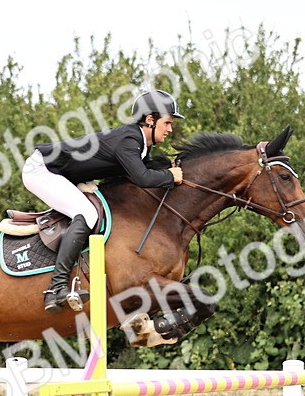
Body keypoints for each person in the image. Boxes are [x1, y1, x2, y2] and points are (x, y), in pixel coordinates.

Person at [23, 89, 185, 312]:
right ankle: (56, 287)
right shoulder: (129, 141)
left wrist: (169, 167)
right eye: (167, 123)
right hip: (42, 170)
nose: (170, 129)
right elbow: (142, 178)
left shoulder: (140, 144)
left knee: (89, 211)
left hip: (63, 173)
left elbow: (144, 168)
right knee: (87, 214)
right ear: (150, 119)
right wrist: (169, 176)